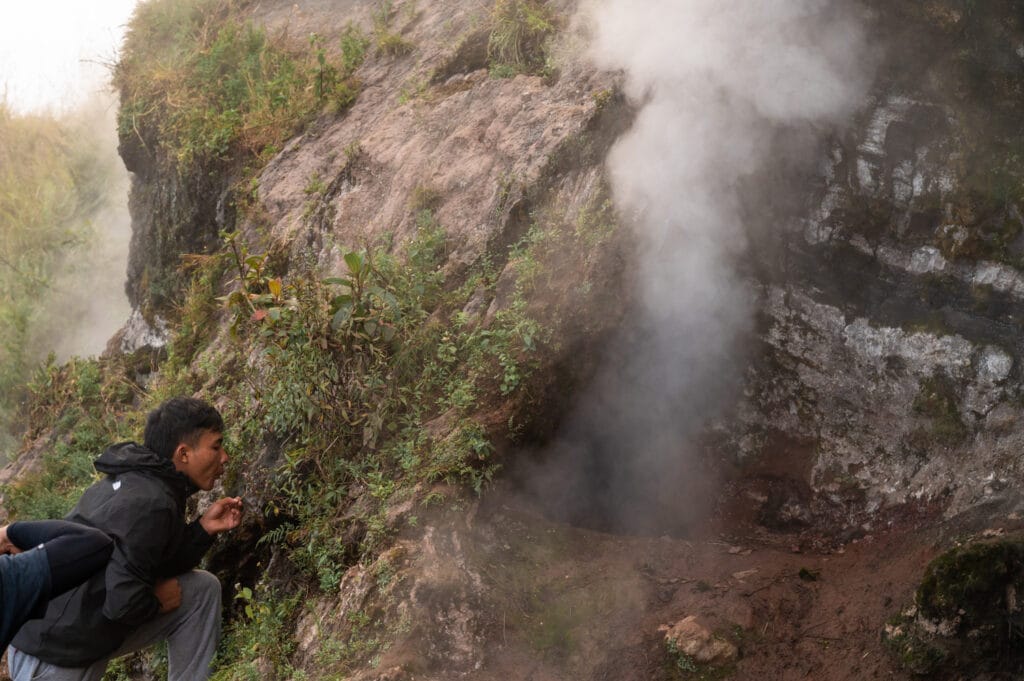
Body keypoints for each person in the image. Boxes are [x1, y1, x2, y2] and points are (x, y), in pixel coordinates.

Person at [8, 397, 244, 681]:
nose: (224, 457)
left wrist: (202, 530)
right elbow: (122, 603)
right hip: (58, 650)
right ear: (183, 453)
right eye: (216, 447)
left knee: (199, 592)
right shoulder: (152, 502)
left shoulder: (138, 480)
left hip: (50, 626)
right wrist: (156, 603)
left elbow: (143, 560)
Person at [0, 520, 114, 650]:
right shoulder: (6, 577)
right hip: (51, 643)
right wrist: (7, 534)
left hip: (40, 640)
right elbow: (91, 542)